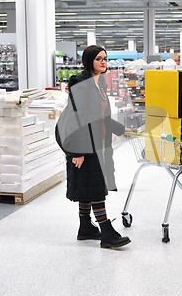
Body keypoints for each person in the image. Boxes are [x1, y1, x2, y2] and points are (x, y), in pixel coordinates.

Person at [55, 45, 131, 249]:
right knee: (96, 189)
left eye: (105, 58)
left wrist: (119, 128)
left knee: (88, 187)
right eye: (99, 59)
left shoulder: (100, 84)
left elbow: (100, 117)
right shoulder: (82, 85)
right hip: (85, 146)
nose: (104, 62)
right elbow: (78, 119)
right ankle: (106, 232)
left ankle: (85, 227)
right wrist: (77, 152)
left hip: (96, 143)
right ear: (89, 61)